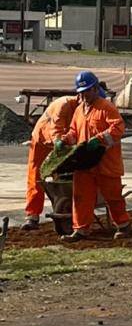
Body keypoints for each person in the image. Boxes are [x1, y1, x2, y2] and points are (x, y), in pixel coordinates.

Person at [59, 71, 130, 242]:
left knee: (113, 196)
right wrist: (64, 140)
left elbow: (118, 129)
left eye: (87, 90)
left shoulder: (106, 108)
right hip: (86, 163)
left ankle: (123, 225)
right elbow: (74, 132)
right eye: (81, 92)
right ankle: (81, 229)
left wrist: (98, 140)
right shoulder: (79, 111)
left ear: (96, 89)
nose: (84, 94)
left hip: (106, 162)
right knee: (81, 197)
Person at [20, 95, 80, 231]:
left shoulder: (87, 108)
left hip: (62, 144)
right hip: (42, 140)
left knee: (62, 178)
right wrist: (58, 142)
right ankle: (32, 215)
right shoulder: (64, 104)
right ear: (80, 95)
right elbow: (56, 127)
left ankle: (64, 208)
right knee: (36, 177)